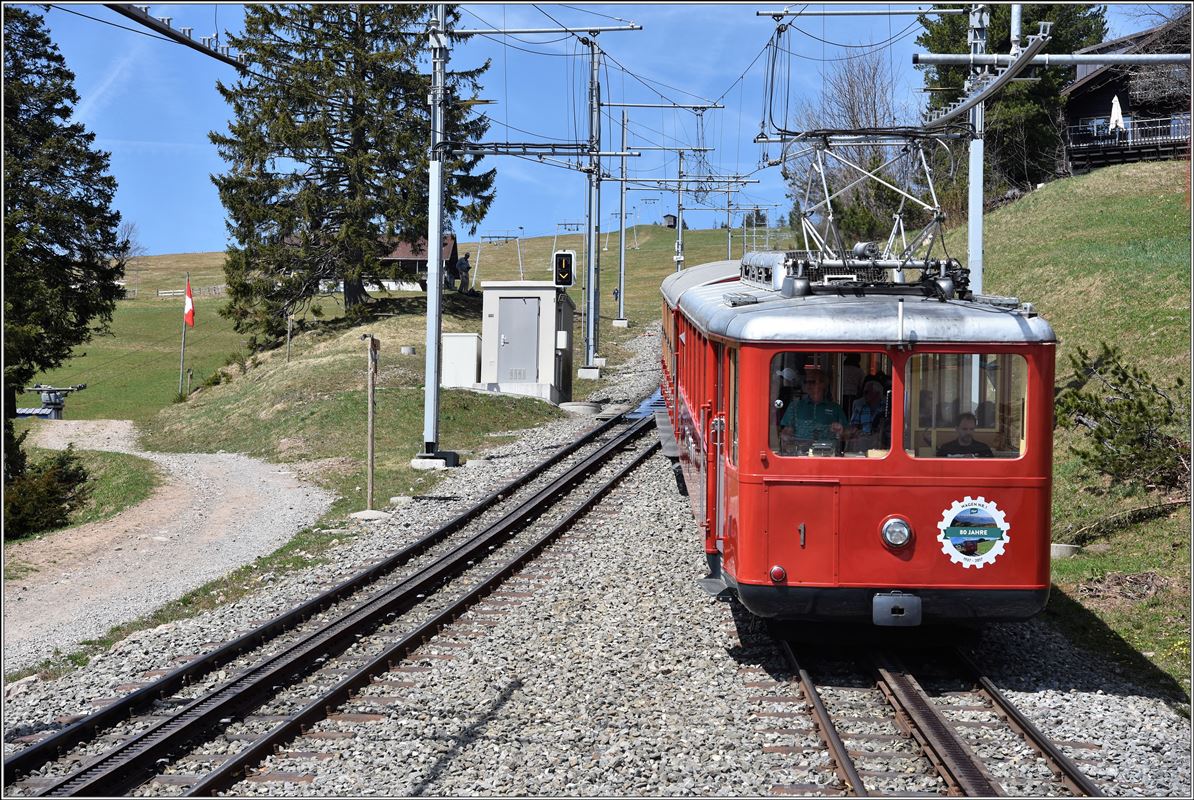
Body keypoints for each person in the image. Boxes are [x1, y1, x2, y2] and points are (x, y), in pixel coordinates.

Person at [780, 367, 846, 452]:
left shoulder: (835, 408)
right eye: (806, 382)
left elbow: (846, 435)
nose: (808, 385)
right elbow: (786, 433)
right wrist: (787, 435)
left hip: (828, 454)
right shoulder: (795, 406)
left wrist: (841, 430)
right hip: (801, 454)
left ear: (823, 384)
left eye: (812, 382)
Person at [847, 378, 888, 451]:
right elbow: (853, 427)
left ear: (877, 394)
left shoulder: (886, 406)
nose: (864, 395)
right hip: (863, 440)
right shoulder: (860, 405)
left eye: (866, 392)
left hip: (880, 441)